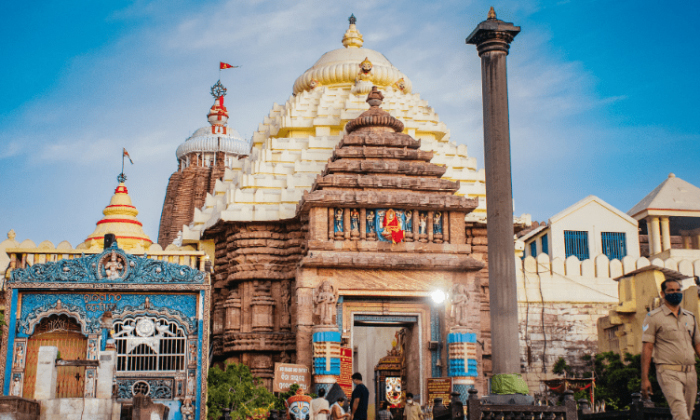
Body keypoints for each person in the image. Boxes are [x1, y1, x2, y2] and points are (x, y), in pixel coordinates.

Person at [642, 279, 700, 420]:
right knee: (680, 414)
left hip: (690, 372)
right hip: (668, 371)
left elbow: (697, 344)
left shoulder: (690, 317)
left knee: (688, 414)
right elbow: (647, 347)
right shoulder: (653, 317)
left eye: (678, 290)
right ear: (663, 294)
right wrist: (644, 378)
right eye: (671, 291)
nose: (675, 293)